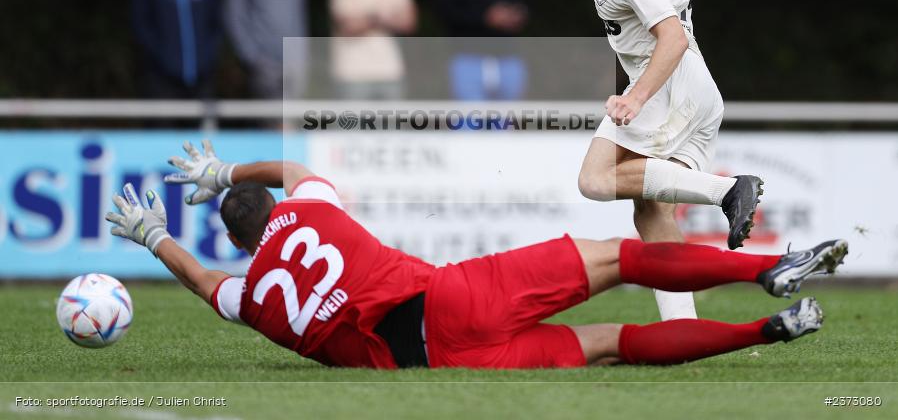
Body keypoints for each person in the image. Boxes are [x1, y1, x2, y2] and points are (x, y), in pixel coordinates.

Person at [104, 140, 848, 369]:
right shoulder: (309, 205)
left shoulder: (251, 299)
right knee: (621, 258)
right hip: (456, 296)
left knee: (611, 344)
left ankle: (763, 333)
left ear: (237, 242)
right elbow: (295, 172)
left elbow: (207, 286)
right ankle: (763, 272)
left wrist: (152, 237)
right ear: (274, 213)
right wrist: (224, 174)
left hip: (441, 363)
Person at [554, 0, 764, 321]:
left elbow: (673, 38)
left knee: (596, 179)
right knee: (651, 212)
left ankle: (729, 191)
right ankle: (682, 326)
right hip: (698, 90)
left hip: (669, 84)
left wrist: (636, 98)